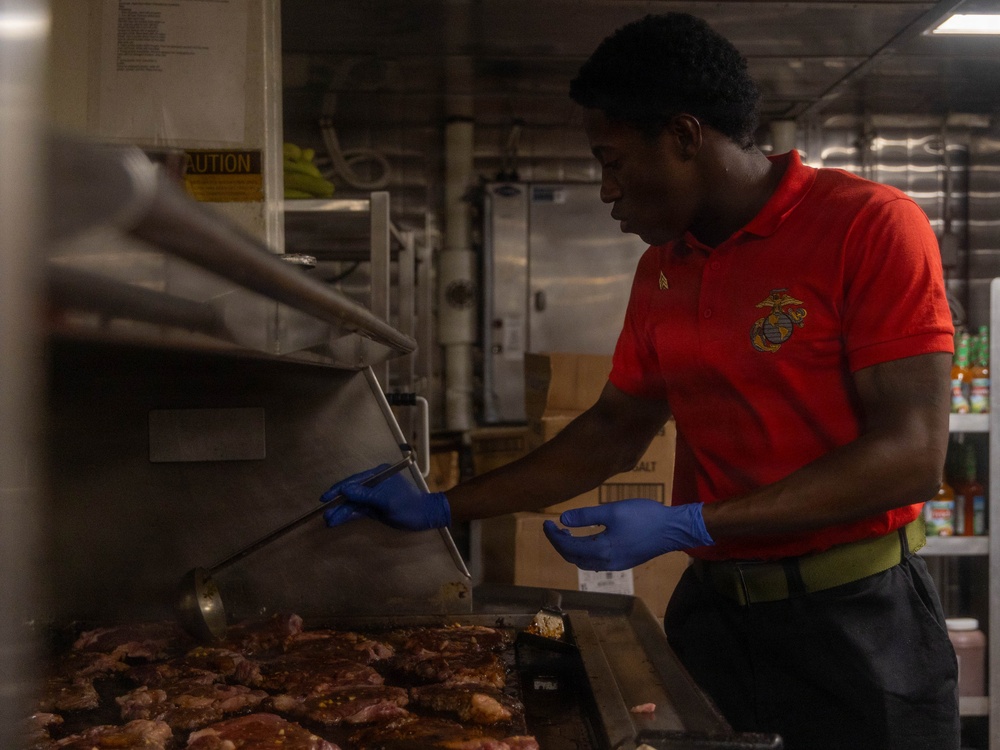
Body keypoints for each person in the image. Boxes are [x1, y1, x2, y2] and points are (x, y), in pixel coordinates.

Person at [320, 12, 959, 750]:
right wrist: (441, 507)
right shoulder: (664, 267)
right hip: (717, 620)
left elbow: (912, 456)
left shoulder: (869, 225)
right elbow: (613, 430)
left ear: (686, 137)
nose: (605, 189)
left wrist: (692, 523)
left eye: (614, 161)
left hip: (858, 623)